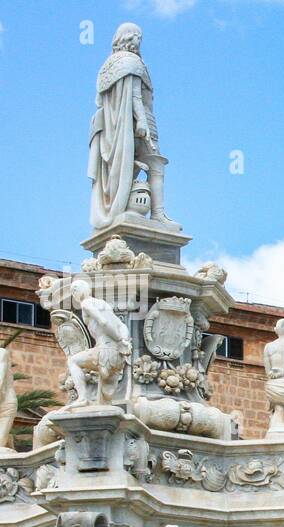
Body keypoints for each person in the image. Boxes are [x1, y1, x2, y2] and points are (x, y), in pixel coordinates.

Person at [88, 22, 177, 229]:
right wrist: (143, 124)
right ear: (128, 37)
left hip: (119, 128)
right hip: (140, 122)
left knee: (129, 166)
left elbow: (102, 103)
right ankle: (158, 215)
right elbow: (135, 97)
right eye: (138, 37)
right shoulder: (132, 62)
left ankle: (125, 207)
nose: (139, 41)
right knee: (156, 164)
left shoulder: (108, 67)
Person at [67, 279, 131, 405]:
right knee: (105, 401)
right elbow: (121, 325)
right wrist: (124, 341)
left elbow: (103, 322)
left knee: (73, 361)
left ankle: (82, 398)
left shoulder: (86, 303)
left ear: (83, 290)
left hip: (103, 352)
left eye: (75, 289)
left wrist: (120, 340)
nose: (73, 293)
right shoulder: (103, 304)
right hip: (117, 355)